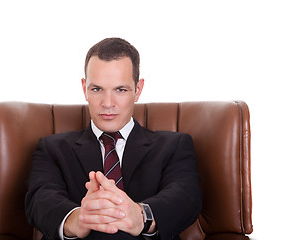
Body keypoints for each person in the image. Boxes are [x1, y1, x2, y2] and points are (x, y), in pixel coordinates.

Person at [25, 37, 202, 240]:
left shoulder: (174, 146)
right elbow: (40, 199)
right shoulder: (52, 149)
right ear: (84, 89)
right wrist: (79, 219)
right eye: (97, 89)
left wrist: (141, 216)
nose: (108, 103)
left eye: (120, 89)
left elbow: (186, 196)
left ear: (138, 89)